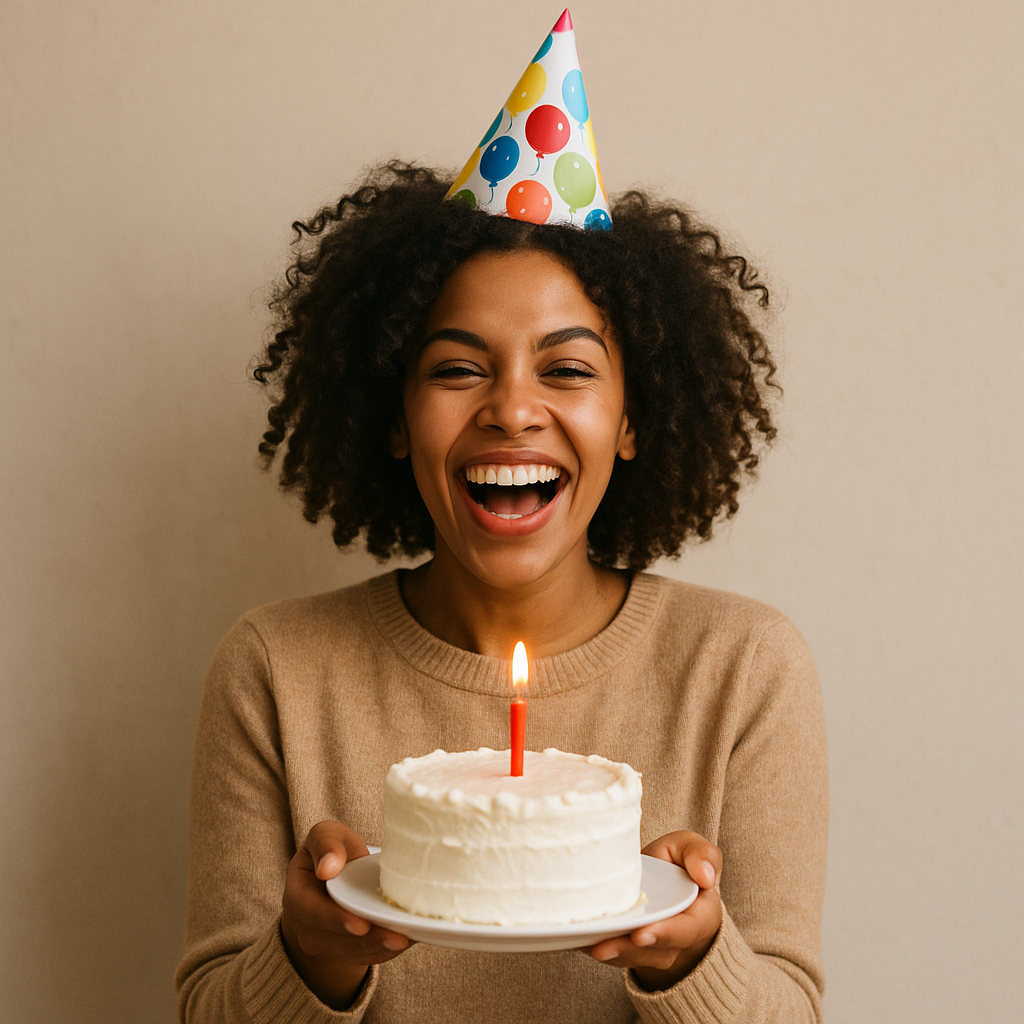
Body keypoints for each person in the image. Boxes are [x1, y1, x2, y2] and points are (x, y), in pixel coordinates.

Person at [174, 159, 827, 1024]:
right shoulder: (274, 668)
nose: (513, 410)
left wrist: (693, 959)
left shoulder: (744, 667)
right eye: (457, 370)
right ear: (397, 419)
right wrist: (311, 955)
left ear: (633, 419)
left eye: (567, 371)